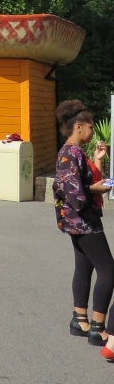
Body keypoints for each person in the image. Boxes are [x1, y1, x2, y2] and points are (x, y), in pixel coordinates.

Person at [52, 100, 114, 360]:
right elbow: (73, 191)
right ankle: (98, 327)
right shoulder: (72, 153)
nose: (92, 132)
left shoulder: (72, 152)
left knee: (84, 265)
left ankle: (80, 319)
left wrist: (98, 164)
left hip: (73, 220)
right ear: (78, 127)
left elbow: (78, 184)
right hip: (83, 220)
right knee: (109, 270)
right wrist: (97, 189)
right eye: (89, 127)